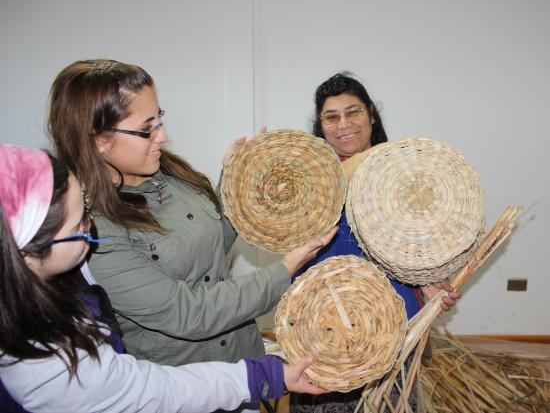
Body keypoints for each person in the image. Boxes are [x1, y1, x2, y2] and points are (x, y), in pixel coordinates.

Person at [46, 59, 336, 375]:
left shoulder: (170, 173)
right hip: (186, 386)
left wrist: (239, 182)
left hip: (241, 363)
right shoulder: (93, 230)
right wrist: (286, 268)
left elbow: (210, 249)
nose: (162, 135)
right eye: (147, 129)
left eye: (159, 119)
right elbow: (187, 312)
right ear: (98, 140)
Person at [0, 144, 328, 413]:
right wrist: (266, 374)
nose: (91, 226)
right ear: (25, 255)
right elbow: (160, 389)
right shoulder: (48, 366)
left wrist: (236, 188)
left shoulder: (56, 272)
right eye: (78, 227)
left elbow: (203, 251)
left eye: (85, 207)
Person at [290, 72, 461, 413]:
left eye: (352, 112)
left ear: (370, 114)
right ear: (321, 126)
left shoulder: (403, 176)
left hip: (394, 326)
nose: (344, 125)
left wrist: (428, 284)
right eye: (331, 117)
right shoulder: (308, 180)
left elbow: (419, 247)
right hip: (325, 327)